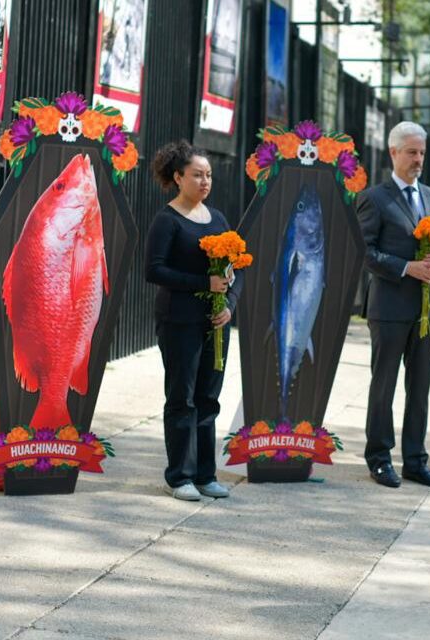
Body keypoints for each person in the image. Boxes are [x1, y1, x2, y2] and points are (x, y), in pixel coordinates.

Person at [356, 121, 430, 489]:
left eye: (422, 153)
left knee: (420, 389)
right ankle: (380, 459)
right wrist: (406, 268)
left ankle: (415, 460)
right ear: (393, 153)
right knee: (384, 386)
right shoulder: (375, 198)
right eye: (412, 152)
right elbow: (363, 252)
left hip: (427, 314)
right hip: (389, 309)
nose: (418, 160)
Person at [145, 140, 237, 502]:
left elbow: (234, 270)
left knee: (208, 398)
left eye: (209, 175)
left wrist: (229, 301)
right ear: (178, 177)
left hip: (216, 322)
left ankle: (205, 474)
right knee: (182, 398)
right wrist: (204, 283)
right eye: (197, 175)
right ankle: (179, 476)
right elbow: (154, 270)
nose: (204, 181)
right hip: (179, 321)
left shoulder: (218, 219)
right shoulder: (167, 220)